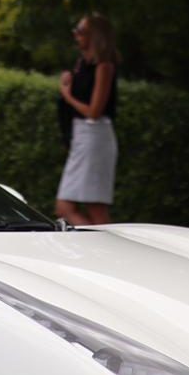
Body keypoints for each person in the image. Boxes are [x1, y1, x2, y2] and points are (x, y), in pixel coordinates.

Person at [55, 13, 119, 226]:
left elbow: (94, 111)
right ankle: (103, 248)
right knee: (78, 208)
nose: (76, 35)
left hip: (95, 135)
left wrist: (67, 95)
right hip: (82, 135)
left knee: (92, 208)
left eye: (81, 31)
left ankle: (105, 248)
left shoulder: (104, 67)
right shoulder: (82, 65)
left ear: (95, 36)